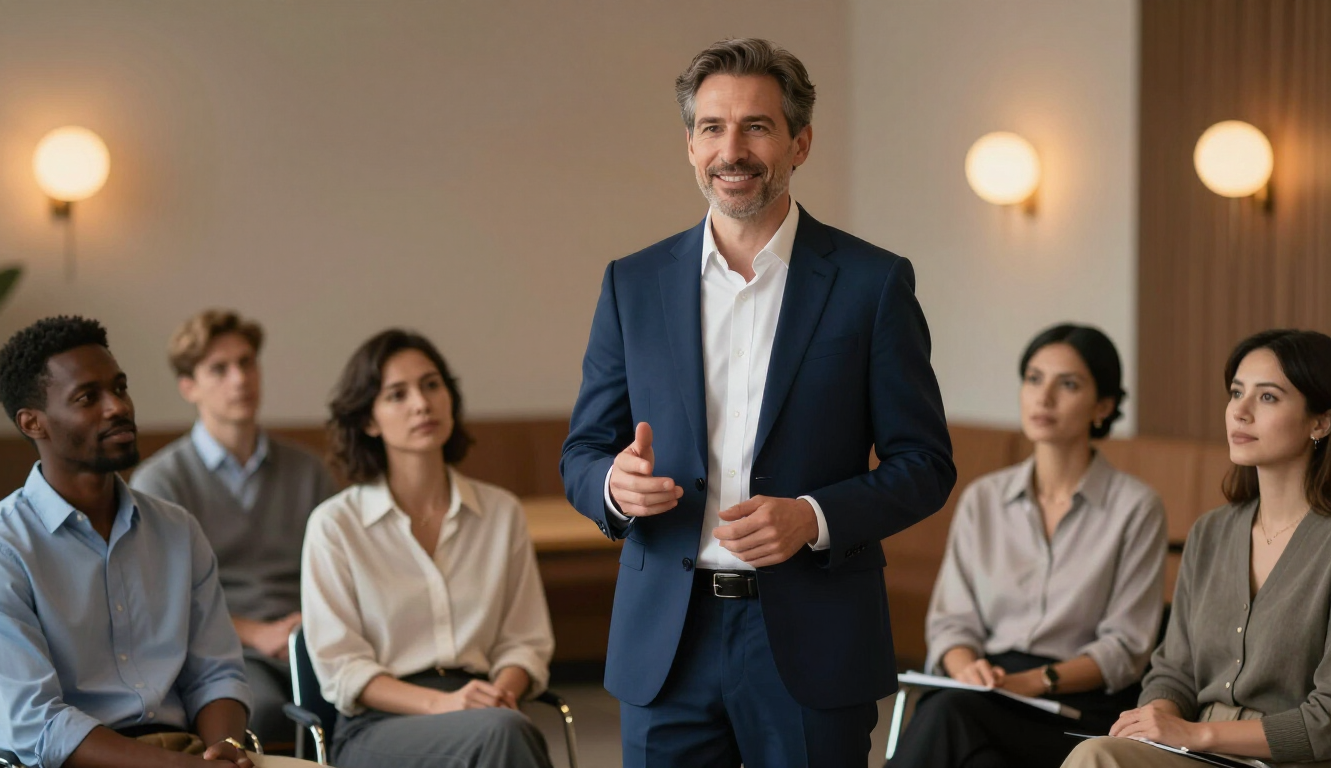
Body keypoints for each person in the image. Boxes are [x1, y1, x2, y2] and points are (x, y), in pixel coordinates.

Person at [559, 37, 956, 767]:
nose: (731, 149)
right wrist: (613, 485)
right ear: (689, 145)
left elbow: (925, 464)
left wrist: (813, 518)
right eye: (712, 127)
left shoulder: (872, 285)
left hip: (815, 640)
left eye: (757, 126)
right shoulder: (632, 283)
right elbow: (582, 451)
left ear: (800, 142)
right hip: (666, 647)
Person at [0, 316, 310, 768]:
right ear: (33, 423)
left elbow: (217, 674)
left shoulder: (177, 529)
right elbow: (37, 723)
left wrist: (228, 751)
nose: (117, 407)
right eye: (87, 397)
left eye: (119, 388)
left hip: (190, 750)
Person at [888, 324, 1168, 768]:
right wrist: (967, 669)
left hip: (1079, 704)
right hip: (987, 689)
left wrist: (1035, 682)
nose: (1044, 397)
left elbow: (1126, 648)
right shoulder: (984, 498)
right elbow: (951, 622)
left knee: (948, 716)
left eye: (1068, 384)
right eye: (1034, 379)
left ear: (1103, 406)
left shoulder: (1136, 508)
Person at [1062, 328, 1331, 767]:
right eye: (1235, 392)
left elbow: (1326, 722)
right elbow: (1173, 673)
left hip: (1287, 760)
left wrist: (1195, 733)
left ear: (1320, 421)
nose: (1239, 412)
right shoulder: (1210, 533)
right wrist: (1159, 719)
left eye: (1267, 398)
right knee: (1097, 755)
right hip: (1198, 755)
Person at [300, 329, 554, 768]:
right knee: (504, 736)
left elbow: (525, 642)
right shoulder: (335, 525)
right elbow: (343, 670)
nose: (422, 403)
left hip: (487, 706)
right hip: (380, 725)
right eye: (397, 394)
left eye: (432, 385)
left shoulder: (500, 512)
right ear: (368, 420)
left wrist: (501, 695)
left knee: (503, 731)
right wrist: (445, 705)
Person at [131, 309, 336, 745]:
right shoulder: (160, 481)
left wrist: (312, 622)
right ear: (188, 386)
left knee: (362, 704)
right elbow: (163, 598)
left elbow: (340, 571)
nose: (240, 379)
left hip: (314, 639)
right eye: (219, 369)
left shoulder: (308, 470)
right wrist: (258, 633)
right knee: (260, 712)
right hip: (221, 650)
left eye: (247, 362)